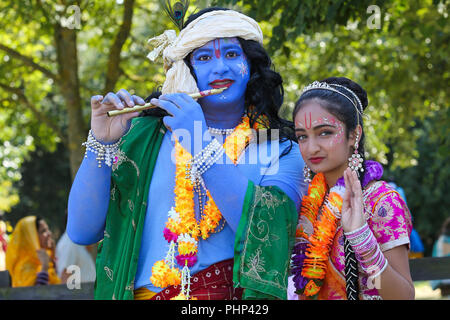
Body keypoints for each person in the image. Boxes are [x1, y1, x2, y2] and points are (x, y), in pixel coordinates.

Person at [68, 6, 305, 300]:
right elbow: (81, 232)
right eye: (204, 58)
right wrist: (100, 143)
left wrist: (199, 142)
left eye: (232, 55)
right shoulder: (145, 136)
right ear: (186, 71)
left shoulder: (279, 149)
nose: (219, 68)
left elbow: (269, 236)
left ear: (252, 66)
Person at [288, 77, 415, 300]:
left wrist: (361, 239)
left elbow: (402, 297)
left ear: (354, 135)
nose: (311, 147)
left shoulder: (381, 202)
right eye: (302, 137)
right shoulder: (307, 203)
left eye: (325, 132)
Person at [5, 216, 60, 287]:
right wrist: (44, 268)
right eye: (43, 231)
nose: (49, 233)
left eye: (47, 229)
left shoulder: (41, 260)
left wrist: (52, 256)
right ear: (31, 237)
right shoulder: (24, 267)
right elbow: (36, 295)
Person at [430, 217, 450, 297]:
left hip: (439, 274)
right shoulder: (445, 241)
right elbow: (445, 259)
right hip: (443, 276)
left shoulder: (441, 239)